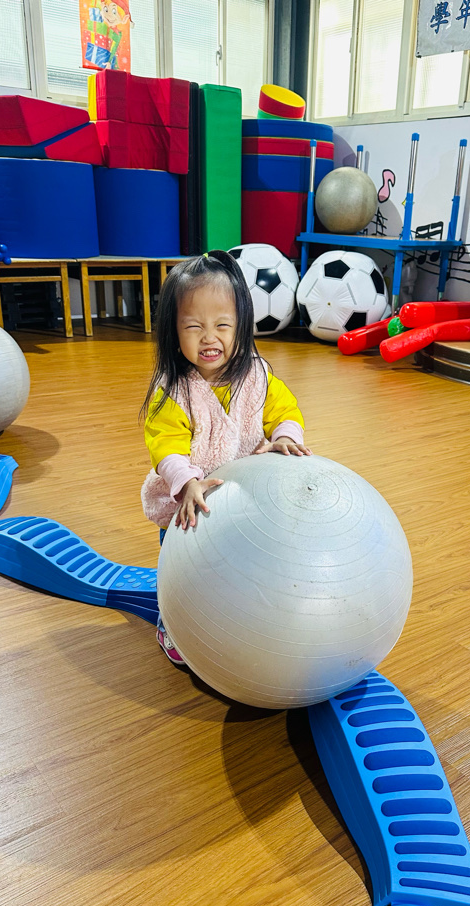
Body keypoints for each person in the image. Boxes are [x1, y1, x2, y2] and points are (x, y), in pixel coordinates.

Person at [141, 249, 311, 664]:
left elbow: (285, 413)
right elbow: (166, 445)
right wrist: (186, 482)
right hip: (190, 502)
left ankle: (237, 613)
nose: (209, 338)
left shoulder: (258, 375)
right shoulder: (172, 390)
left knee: (239, 563)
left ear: (242, 326)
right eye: (193, 326)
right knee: (182, 568)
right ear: (173, 332)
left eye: (222, 325)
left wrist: (285, 438)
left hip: (244, 499)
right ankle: (172, 621)